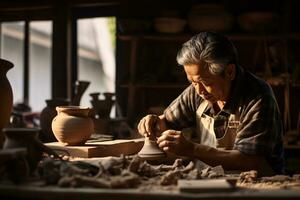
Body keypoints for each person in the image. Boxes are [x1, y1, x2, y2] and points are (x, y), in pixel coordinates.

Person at [137, 32, 285, 174]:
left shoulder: (258, 98)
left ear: (230, 72)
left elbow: (249, 161)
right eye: (192, 82)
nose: (199, 90)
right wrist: (154, 123)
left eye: (205, 82)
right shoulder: (197, 89)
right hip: (212, 180)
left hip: (259, 185)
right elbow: (167, 122)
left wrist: (191, 149)